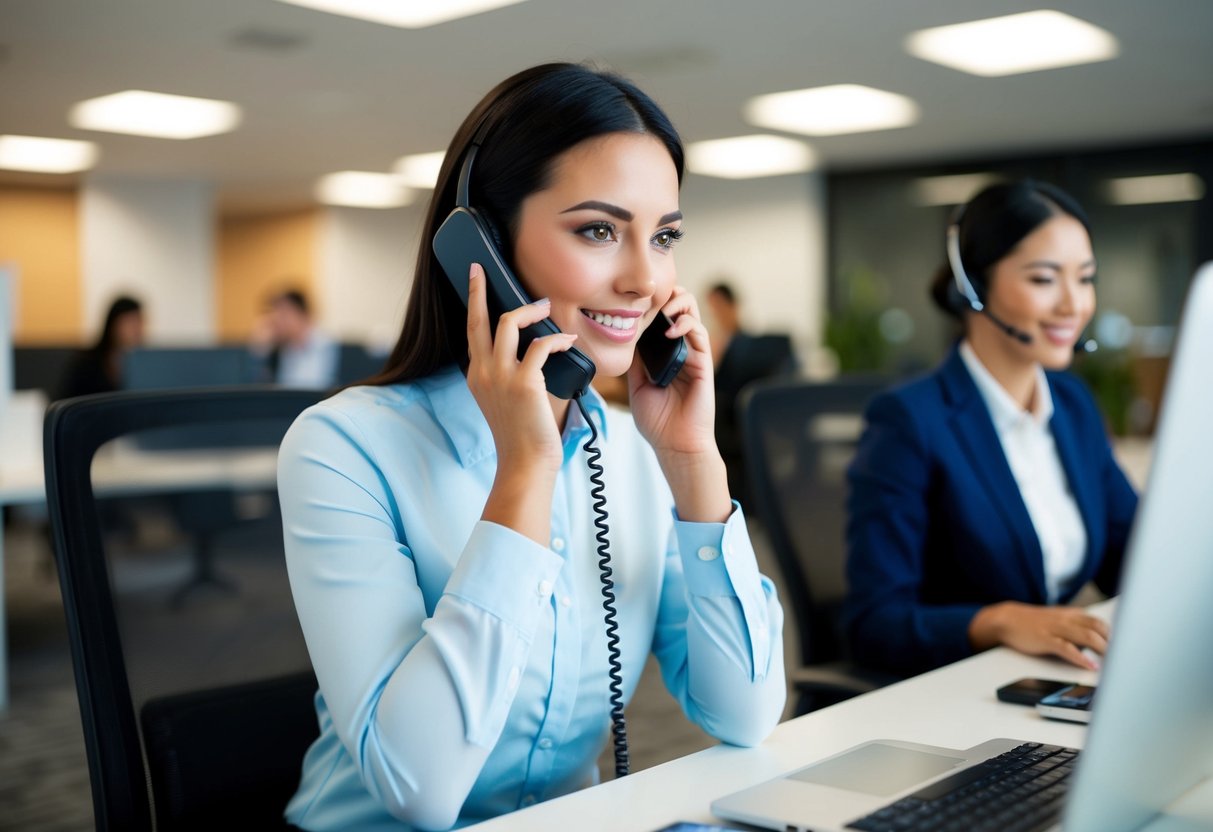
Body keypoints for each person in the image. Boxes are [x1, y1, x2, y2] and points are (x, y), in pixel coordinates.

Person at [277, 63, 785, 831]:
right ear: (481, 247)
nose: (645, 279)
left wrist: (691, 464)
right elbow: (418, 790)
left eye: (665, 236)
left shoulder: (631, 453)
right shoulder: (345, 447)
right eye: (598, 230)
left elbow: (743, 714)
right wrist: (526, 470)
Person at [843, 180, 1138, 678]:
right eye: (1045, 279)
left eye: (1085, 279)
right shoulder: (909, 421)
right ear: (974, 287)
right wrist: (999, 621)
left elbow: (1130, 553)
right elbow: (873, 625)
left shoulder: (1071, 404)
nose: (1074, 305)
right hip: (952, 690)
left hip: (1051, 679)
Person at [706, 282, 795, 506]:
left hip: (728, 422)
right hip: (737, 423)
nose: (714, 313)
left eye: (717, 306)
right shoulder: (733, 342)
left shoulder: (736, 345)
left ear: (731, 306)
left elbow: (718, 382)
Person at [55, 295, 145, 400]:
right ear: (113, 324)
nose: (136, 329)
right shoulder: (85, 363)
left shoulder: (145, 366)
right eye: (130, 322)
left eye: (139, 322)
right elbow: (64, 402)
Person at [252, 288, 338, 389]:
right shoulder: (281, 348)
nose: (278, 320)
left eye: (284, 314)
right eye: (276, 314)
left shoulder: (325, 345)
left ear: (304, 314)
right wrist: (261, 346)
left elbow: (316, 386)